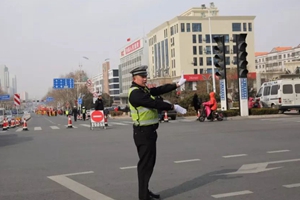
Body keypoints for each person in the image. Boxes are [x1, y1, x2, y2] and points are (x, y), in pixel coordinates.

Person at [128, 65, 187, 200]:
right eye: (142, 77)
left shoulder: (143, 90)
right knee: (145, 165)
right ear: (134, 78)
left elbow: (158, 90)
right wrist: (173, 107)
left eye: (145, 76)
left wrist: (176, 84)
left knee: (149, 164)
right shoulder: (135, 93)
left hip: (149, 132)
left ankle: (145, 191)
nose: (145, 79)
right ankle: (143, 196)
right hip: (143, 133)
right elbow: (153, 103)